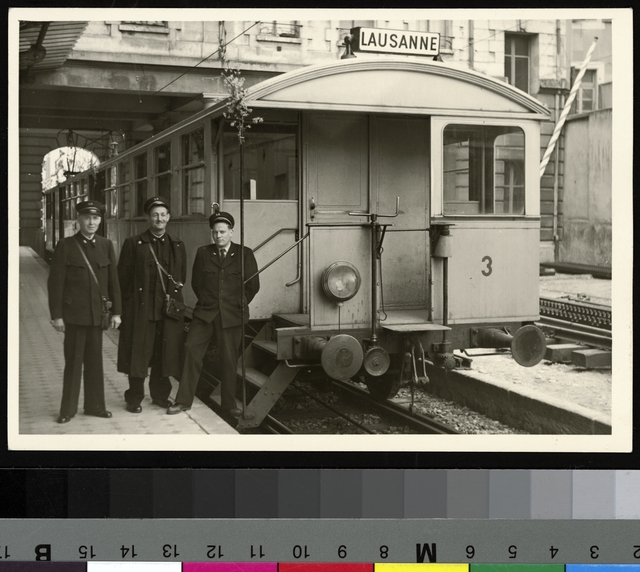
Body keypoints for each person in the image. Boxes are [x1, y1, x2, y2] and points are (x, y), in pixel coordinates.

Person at [168, 211, 260, 417]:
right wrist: (211, 302)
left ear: (231, 232)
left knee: (228, 360)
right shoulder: (203, 252)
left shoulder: (245, 254)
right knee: (191, 350)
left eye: (222, 232)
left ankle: (229, 405)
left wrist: (237, 303)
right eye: (215, 232)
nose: (218, 236)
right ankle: (183, 401)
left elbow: (253, 285)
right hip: (205, 314)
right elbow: (197, 283)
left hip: (232, 315)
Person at [48, 200, 122, 424]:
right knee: (73, 363)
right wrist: (57, 315)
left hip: (96, 316)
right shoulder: (66, 245)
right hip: (74, 315)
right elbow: (55, 283)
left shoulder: (105, 245)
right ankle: (67, 410)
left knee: (95, 362)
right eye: (87, 218)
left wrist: (117, 312)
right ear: (78, 220)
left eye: (96, 218)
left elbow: (113, 282)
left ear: (101, 220)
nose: (92, 222)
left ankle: (95, 406)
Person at [117, 196, 187, 413]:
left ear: (169, 217)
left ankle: (160, 396)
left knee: (163, 354)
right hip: (141, 311)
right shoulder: (134, 243)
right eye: (155, 215)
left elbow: (180, 277)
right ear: (148, 217)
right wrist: (124, 310)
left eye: (163, 215)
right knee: (138, 356)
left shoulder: (177, 245)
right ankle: (134, 398)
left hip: (167, 312)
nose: (159, 219)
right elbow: (123, 280)